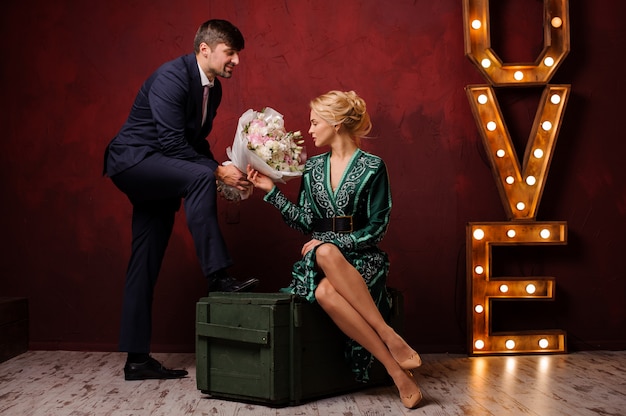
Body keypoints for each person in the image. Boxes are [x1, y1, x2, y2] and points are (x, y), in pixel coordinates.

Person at [103, 19, 259, 381]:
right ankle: (218, 276)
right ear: (205, 49)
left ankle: (137, 360)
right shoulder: (171, 77)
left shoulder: (213, 91)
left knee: (145, 261)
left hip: (162, 171)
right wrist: (216, 173)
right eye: (230, 52)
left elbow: (194, 143)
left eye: (238, 54)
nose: (236, 60)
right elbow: (173, 144)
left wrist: (226, 167)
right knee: (202, 175)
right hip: (135, 161)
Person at [246, 90, 423, 409]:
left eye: (314, 123)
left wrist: (333, 241)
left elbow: (378, 227)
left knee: (326, 259)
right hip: (321, 260)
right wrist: (271, 192)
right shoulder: (312, 168)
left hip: (363, 258)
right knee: (325, 283)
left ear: (337, 123)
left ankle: (389, 342)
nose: (309, 129)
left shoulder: (372, 167)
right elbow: (305, 222)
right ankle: (395, 365)